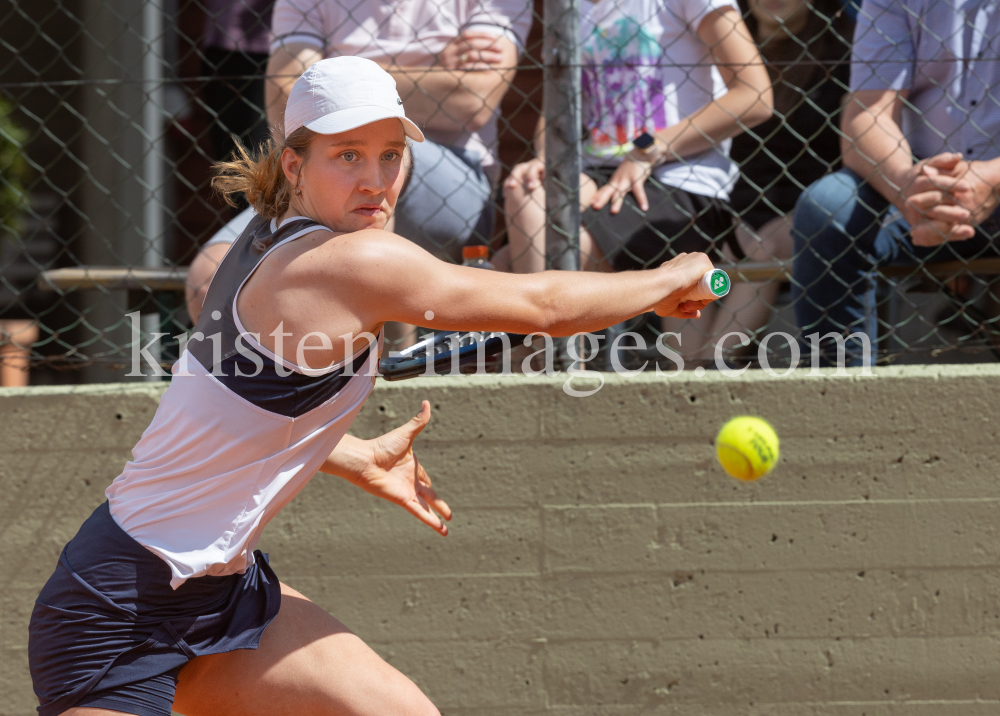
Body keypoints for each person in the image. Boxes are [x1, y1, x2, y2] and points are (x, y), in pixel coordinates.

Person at [28, 57, 719, 716]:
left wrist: (348, 453)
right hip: (116, 607)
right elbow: (543, 308)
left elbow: (221, 401)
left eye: (391, 154)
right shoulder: (351, 259)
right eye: (348, 155)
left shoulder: (253, 242)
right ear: (294, 165)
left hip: (224, 595)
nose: (376, 178)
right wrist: (665, 281)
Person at [186, 0, 532, 326]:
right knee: (208, 281)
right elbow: (282, 99)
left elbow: (472, 97)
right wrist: (428, 72)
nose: (375, 185)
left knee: (385, 147)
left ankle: (390, 366)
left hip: (456, 184)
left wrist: (333, 83)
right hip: (331, 165)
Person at [792, 0, 1000, 365]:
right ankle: (840, 400)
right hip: (917, 182)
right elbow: (867, 115)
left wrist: (993, 180)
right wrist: (908, 188)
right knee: (827, 209)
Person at [502, 0, 773, 279]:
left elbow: (755, 96)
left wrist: (647, 149)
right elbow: (557, 107)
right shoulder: (571, 9)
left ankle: (554, 317)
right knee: (525, 191)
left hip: (678, 176)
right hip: (598, 174)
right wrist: (547, 158)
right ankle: (551, 318)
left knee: (537, 260)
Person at [681, 0, 852, 362]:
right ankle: (679, 371)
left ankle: (708, 371)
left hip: (807, 202)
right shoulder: (717, 51)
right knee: (692, 249)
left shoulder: (843, 55)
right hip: (733, 201)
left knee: (765, 249)